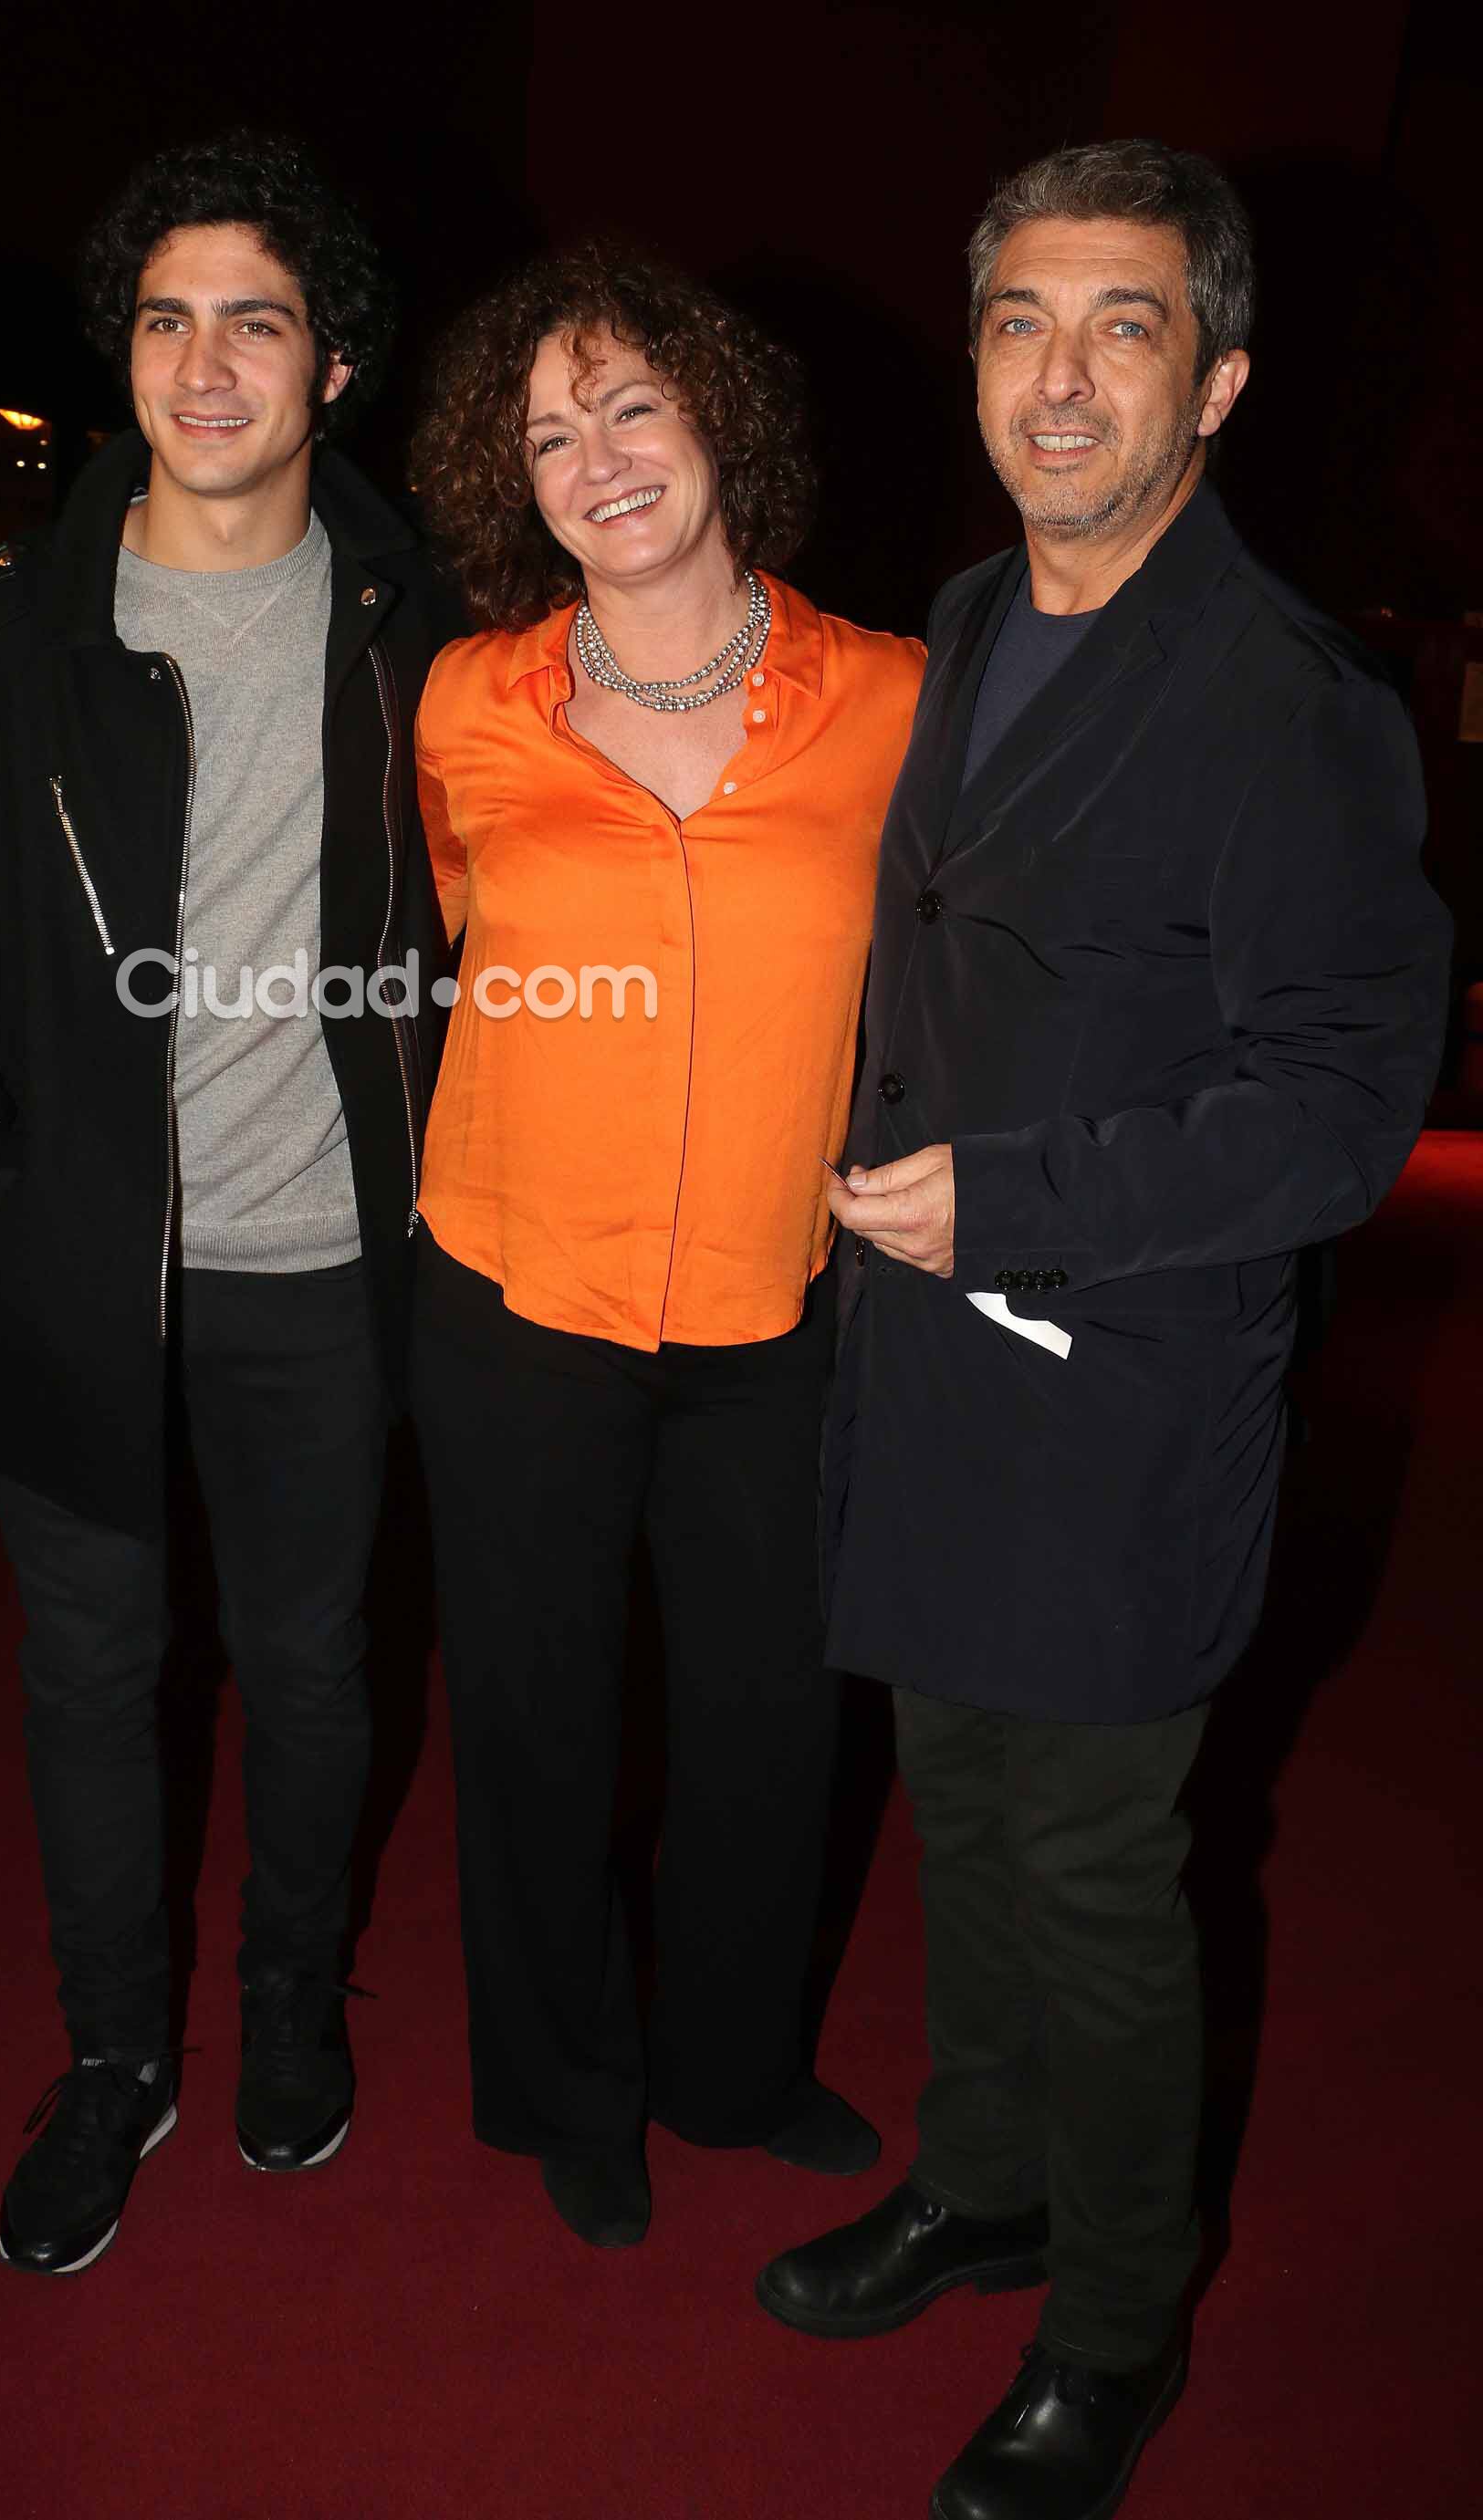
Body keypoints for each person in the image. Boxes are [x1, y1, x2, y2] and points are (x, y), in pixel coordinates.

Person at [755, 142, 1451, 2520]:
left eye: (1124, 324)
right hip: (931, 1373)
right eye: (1022, 321)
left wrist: (1019, 1200)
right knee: (961, 1811)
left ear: (1219, 376)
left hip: (1125, 1394)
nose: (1063, 375)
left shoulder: (1289, 698)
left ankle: (1116, 2323)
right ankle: (986, 2175)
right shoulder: (953, 622)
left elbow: (1342, 1108)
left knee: (1093, 1871)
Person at [0, 130, 455, 2275]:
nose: (207, 364)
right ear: (123, 354)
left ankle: (289, 2000)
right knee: (89, 1677)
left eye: (257, 318)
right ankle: (118, 2056)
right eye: (166, 316)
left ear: (337, 364)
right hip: (78, 1272)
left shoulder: (432, 630)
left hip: (326, 1270)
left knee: (309, 1675)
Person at [406, 247, 924, 2248]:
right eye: (547, 433)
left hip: (778, 1298)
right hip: (517, 1285)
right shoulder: (468, 700)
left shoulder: (890, 697)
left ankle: (732, 2067)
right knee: (533, 1705)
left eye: (630, 405)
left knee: (768, 1713)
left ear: (718, 415)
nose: (596, 458)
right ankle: (563, 2089)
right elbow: (446, 937)